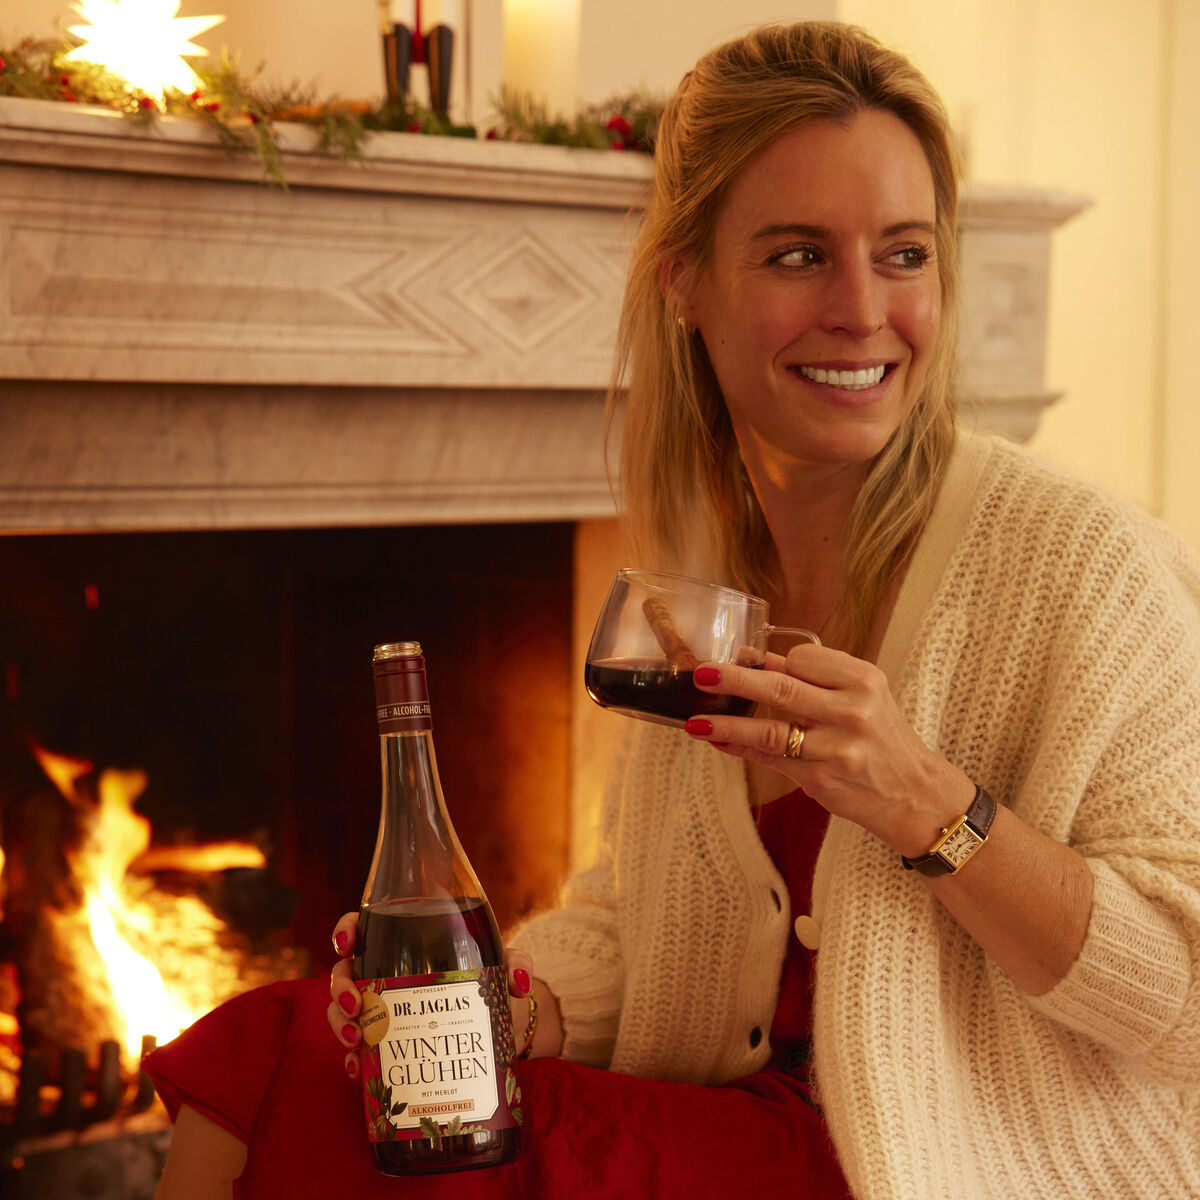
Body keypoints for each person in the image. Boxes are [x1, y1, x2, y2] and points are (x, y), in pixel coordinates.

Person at [144, 20, 1200, 1199]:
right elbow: (639, 917)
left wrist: (930, 806)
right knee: (287, 1046)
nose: (863, 309)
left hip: (939, 1159)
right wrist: (513, 1005)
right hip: (735, 1125)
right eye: (799, 255)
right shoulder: (699, 571)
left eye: (904, 254)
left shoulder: (1087, 565)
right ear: (685, 282)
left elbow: (1188, 1001)